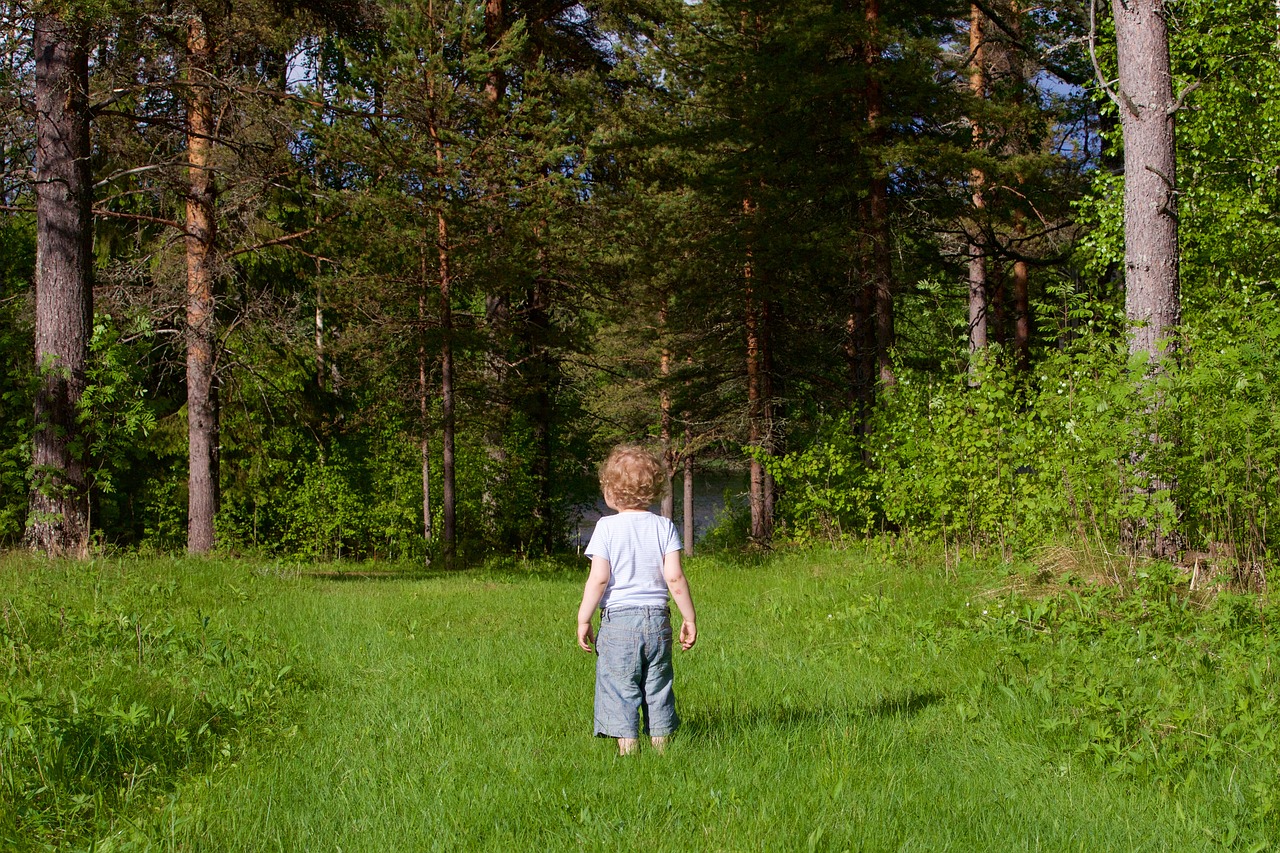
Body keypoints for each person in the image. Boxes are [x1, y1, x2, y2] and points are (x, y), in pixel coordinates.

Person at [577, 445, 697, 755]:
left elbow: (599, 578)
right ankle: (661, 747)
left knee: (619, 685)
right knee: (657, 684)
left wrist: (584, 618)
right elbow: (674, 578)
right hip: (658, 620)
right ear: (655, 490)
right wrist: (689, 618)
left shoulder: (606, 527)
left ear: (611, 493)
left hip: (619, 622)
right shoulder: (663, 526)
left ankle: (628, 749)